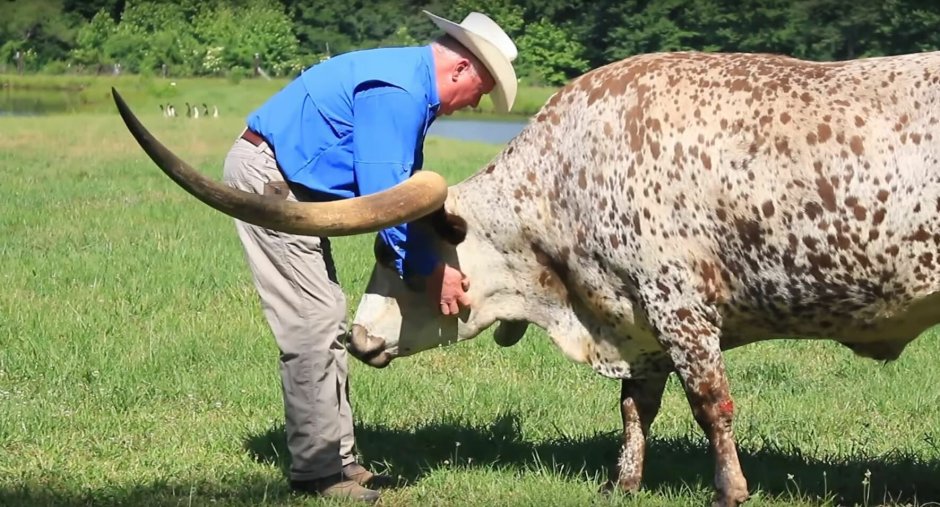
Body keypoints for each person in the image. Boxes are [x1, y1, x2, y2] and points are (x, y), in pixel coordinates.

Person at [221, 10, 518, 504]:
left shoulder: (410, 87)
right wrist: (428, 271)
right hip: (271, 182)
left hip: (293, 184)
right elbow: (386, 197)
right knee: (313, 320)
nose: (474, 104)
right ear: (461, 70)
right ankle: (318, 473)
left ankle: (337, 459)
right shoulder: (399, 94)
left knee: (323, 314)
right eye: (481, 91)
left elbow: (406, 196)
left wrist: (428, 257)